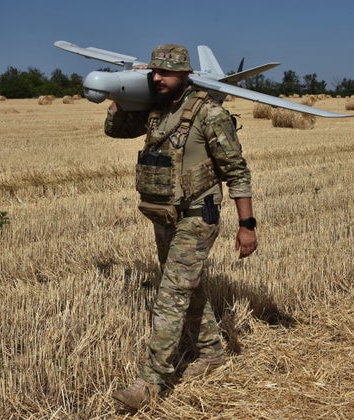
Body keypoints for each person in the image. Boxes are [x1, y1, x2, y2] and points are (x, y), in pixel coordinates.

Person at [104, 44, 258, 410]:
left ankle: (149, 383)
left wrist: (247, 225)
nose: (157, 78)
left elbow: (237, 172)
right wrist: (117, 94)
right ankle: (211, 353)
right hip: (164, 214)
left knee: (170, 294)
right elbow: (115, 130)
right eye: (154, 72)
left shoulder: (210, 114)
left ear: (185, 75)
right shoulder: (157, 110)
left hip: (197, 216)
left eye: (166, 73)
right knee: (189, 287)